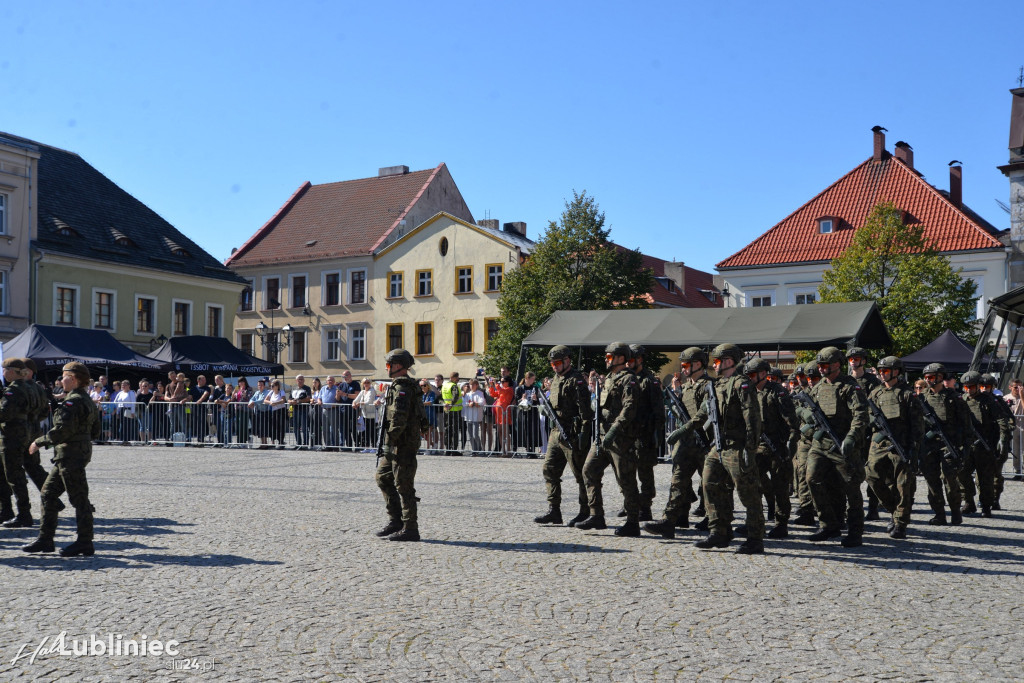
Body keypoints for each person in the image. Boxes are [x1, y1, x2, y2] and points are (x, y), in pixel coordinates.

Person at [674, 344, 765, 554]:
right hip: (718, 445)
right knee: (710, 485)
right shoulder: (716, 385)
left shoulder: (742, 384)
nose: (714, 365)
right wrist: (685, 429)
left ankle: (755, 538)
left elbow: (752, 418)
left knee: (747, 492)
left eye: (717, 361)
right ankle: (719, 532)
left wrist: (750, 448)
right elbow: (703, 414)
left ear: (729, 361)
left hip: (737, 446)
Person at [22, 362, 100, 556]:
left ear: (73, 379)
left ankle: (84, 542)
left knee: (79, 499)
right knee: (48, 494)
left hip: (70, 455)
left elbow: (62, 431)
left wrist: (39, 442)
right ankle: (45, 540)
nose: (61, 380)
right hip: (73, 453)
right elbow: (96, 431)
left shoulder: (73, 402)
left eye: (64, 376)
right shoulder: (87, 400)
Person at [797, 347, 869, 548]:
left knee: (851, 488)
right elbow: (802, 407)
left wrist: (852, 437)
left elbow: (861, 415)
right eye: (819, 365)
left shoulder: (849, 387)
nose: (821, 369)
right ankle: (828, 524)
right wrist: (806, 416)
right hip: (820, 444)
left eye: (825, 365)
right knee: (812, 479)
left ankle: (855, 531)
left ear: (837, 364)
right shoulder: (818, 387)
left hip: (842, 445)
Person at [647, 347, 713, 539]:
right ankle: (669, 521)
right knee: (678, 482)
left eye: (685, 365)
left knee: (709, 485)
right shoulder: (687, 386)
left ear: (698, 364)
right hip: (687, 443)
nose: (683, 369)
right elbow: (681, 413)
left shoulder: (709, 385)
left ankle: (714, 520)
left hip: (705, 442)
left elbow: (704, 413)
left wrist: (684, 429)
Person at [579, 342, 642, 537]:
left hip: (620, 438)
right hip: (601, 436)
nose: (606, 360)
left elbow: (630, 408)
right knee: (589, 470)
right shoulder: (608, 379)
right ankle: (596, 515)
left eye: (609, 357)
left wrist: (615, 429)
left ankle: (633, 522)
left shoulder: (629, 380)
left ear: (621, 358)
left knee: (626, 480)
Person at [533, 345, 594, 527]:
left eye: (557, 363)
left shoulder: (577, 381)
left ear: (568, 360)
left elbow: (586, 412)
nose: (554, 366)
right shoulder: (555, 379)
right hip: (555, 432)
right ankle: (554, 510)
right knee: (549, 469)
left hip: (572, 433)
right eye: (552, 364)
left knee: (580, 475)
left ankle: (586, 511)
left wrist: (584, 433)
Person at [864, 356, 923, 539]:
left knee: (903, 486)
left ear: (896, 372)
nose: (882, 374)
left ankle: (901, 524)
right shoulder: (876, 393)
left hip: (901, 445)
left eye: (886, 371)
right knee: (871, 476)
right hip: (879, 444)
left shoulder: (907, 395)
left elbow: (917, 425)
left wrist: (914, 448)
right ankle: (894, 511)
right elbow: (866, 416)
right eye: (880, 371)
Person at [375, 349, 429, 542]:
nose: (387, 368)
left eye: (389, 365)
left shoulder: (402, 387)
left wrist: (389, 442)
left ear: (398, 366)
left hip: (402, 444)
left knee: (404, 485)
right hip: (396, 444)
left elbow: (399, 419)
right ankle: (396, 521)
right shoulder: (400, 385)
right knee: (382, 477)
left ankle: (410, 528)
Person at [744, 357, 799, 539]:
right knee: (752, 483)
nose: (750, 378)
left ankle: (781, 524)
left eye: (753, 374)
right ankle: (753, 520)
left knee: (780, 487)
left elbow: (791, 422)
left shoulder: (777, 393)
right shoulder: (749, 392)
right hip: (757, 447)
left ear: (763, 374)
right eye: (749, 375)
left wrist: (790, 445)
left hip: (776, 447)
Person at [918, 363, 969, 526]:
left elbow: (966, 425)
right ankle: (939, 513)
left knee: (949, 479)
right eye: (926, 377)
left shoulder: (954, 398)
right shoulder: (921, 398)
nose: (928, 380)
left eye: (931, 377)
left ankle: (955, 511)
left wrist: (964, 449)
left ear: (940, 377)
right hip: (928, 444)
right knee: (931, 480)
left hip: (949, 445)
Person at [959, 371, 1012, 518]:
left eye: (971, 387)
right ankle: (968, 501)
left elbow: (1002, 420)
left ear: (977, 386)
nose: (968, 390)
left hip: (984, 446)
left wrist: (1002, 439)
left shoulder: (988, 401)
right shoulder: (961, 400)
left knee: (985, 478)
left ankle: (987, 505)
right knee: (961, 473)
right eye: (966, 387)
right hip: (967, 445)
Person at [624, 344, 665, 522]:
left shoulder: (650, 381)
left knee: (644, 473)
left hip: (644, 434)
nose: (627, 364)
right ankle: (631, 503)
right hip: (628, 434)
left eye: (631, 360)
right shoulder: (626, 378)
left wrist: (656, 435)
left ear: (640, 360)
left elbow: (658, 411)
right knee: (626, 471)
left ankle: (645, 507)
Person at [1, 358, 39, 527]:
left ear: (11, 371)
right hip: (24, 432)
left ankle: (24, 513)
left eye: (4, 370)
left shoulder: (13, 390)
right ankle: (22, 512)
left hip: (12, 434)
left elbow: (4, 414)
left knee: (14, 475)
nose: (3, 373)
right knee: (17, 474)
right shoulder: (27, 387)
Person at [980, 373, 1016, 508]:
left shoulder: (998, 401)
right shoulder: (975, 401)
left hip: (997, 441)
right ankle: (984, 499)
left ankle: (995, 498)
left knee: (996, 472)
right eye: (981, 386)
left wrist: (1007, 429)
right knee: (981, 474)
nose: (984, 389)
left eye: (987, 386)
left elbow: (1011, 419)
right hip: (981, 441)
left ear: (993, 387)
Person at [489, 376, 515, 456]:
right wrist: (491, 386)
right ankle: (503, 450)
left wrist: (496, 383)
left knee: (506, 432)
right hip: (499, 414)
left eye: (503, 382)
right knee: (500, 432)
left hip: (505, 413)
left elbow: (501, 391)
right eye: (501, 382)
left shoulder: (509, 389)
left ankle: (508, 451)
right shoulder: (502, 389)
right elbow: (493, 394)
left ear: (508, 382)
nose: (502, 383)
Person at [353, 378, 380, 450]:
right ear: (362, 383)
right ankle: (367, 447)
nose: (366, 384)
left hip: (372, 414)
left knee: (373, 431)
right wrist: (354, 403)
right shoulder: (362, 392)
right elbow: (356, 400)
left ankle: (374, 447)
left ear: (370, 383)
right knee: (366, 431)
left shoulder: (372, 391)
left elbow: (368, 402)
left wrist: (359, 403)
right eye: (365, 382)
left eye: (368, 382)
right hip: (365, 414)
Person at [441, 372, 463, 455]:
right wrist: (451, 405)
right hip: (454, 410)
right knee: (455, 430)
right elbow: (456, 396)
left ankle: (448, 449)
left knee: (447, 429)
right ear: (453, 377)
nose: (458, 379)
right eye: (457, 377)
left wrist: (444, 404)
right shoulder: (454, 386)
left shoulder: (445, 385)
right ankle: (454, 450)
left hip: (446, 410)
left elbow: (441, 397)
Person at [337, 371, 360, 449]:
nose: (344, 378)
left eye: (346, 376)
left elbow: (357, 396)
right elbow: (337, 399)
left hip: (352, 409)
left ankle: (357, 445)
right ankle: (349, 446)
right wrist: (337, 394)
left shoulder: (355, 384)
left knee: (353, 428)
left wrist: (345, 394)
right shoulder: (341, 385)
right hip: (343, 410)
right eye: (343, 377)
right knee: (345, 429)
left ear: (350, 375)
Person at [462, 379, 486, 454]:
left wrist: (476, 404)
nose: (471, 386)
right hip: (468, 416)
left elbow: (482, 402)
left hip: (476, 416)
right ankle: (474, 449)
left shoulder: (479, 393)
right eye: (470, 385)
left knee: (475, 434)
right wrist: (468, 404)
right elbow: (464, 402)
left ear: (476, 385)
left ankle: (479, 449)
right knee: (470, 435)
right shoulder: (468, 394)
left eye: (473, 385)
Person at [288, 375, 313, 448]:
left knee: (304, 428)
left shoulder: (307, 388)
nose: (300, 380)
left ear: (304, 380)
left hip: (304, 410)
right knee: (296, 428)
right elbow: (289, 399)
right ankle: (298, 443)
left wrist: (299, 401)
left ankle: (305, 444)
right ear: (296, 380)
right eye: (299, 379)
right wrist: (291, 401)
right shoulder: (293, 388)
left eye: (301, 379)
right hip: (295, 410)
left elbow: (308, 398)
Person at [265, 379, 288, 446]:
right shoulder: (271, 392)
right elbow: (265, 400)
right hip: (274, 411)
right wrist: (270, 402)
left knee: (281, 426)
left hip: (281, 410)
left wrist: (275, 403)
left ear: (277, 386)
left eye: (273, 385)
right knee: (274, 426)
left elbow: (283, 400)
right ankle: (273, 441)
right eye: (271, 385)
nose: (272, 387)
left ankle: (281, 441)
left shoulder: (281, 392)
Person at [248, 379, 271, 446]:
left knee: (264, 428)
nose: (260, 386)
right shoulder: (257, 392)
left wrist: (253, 403)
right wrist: (250, 403)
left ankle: (265, 443)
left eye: (261, 385)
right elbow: (252, 398)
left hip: (265, 412)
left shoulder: (267, 392)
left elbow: (262, 400)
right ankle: (262, 443)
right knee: (259, 428)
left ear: (264, 386)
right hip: (258, 412)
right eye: (258, 385)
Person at [232, 378, 253, 445]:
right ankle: (240, 440)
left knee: (244, 425)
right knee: (238, 425)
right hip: (237, 409)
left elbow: (250, 397)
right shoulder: (237, 389)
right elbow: (233, 398)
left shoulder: (249, 389)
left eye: (242, 382)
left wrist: (245, 395)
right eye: (239, 382)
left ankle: (244, 440)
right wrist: (234, 393)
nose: (240, 383)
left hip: (245, 409)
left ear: (245, 382)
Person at [420, 379, 439, 452]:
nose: (423, 387)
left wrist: (423, 404)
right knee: (422, 433)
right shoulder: (421, 394)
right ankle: (433, 444)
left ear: (428, 386)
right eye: (421, 386)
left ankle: (428, 449)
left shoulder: (431, 393)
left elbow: (431, 402)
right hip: (423, 416)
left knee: (428, 432)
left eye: (424, 385)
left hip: (430, 415)